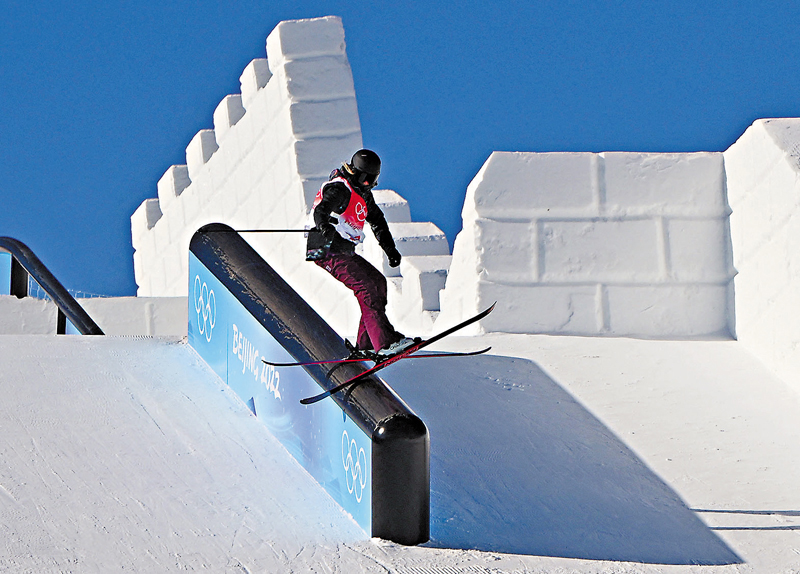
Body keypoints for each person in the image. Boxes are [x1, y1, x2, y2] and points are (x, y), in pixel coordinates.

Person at [306, 149, 416, 358]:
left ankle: (366, 343)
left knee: (377, 283)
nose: (367, 184)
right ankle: (384, 343)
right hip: (325, 248)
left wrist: (390, 250)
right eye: (364, 179)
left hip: (342, 250)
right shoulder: (340, 188)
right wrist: (324, 226)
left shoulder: (363, 194)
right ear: (354, 172)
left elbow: (378, 222)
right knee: (366, 288)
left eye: (371, 181)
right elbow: (321, 210)